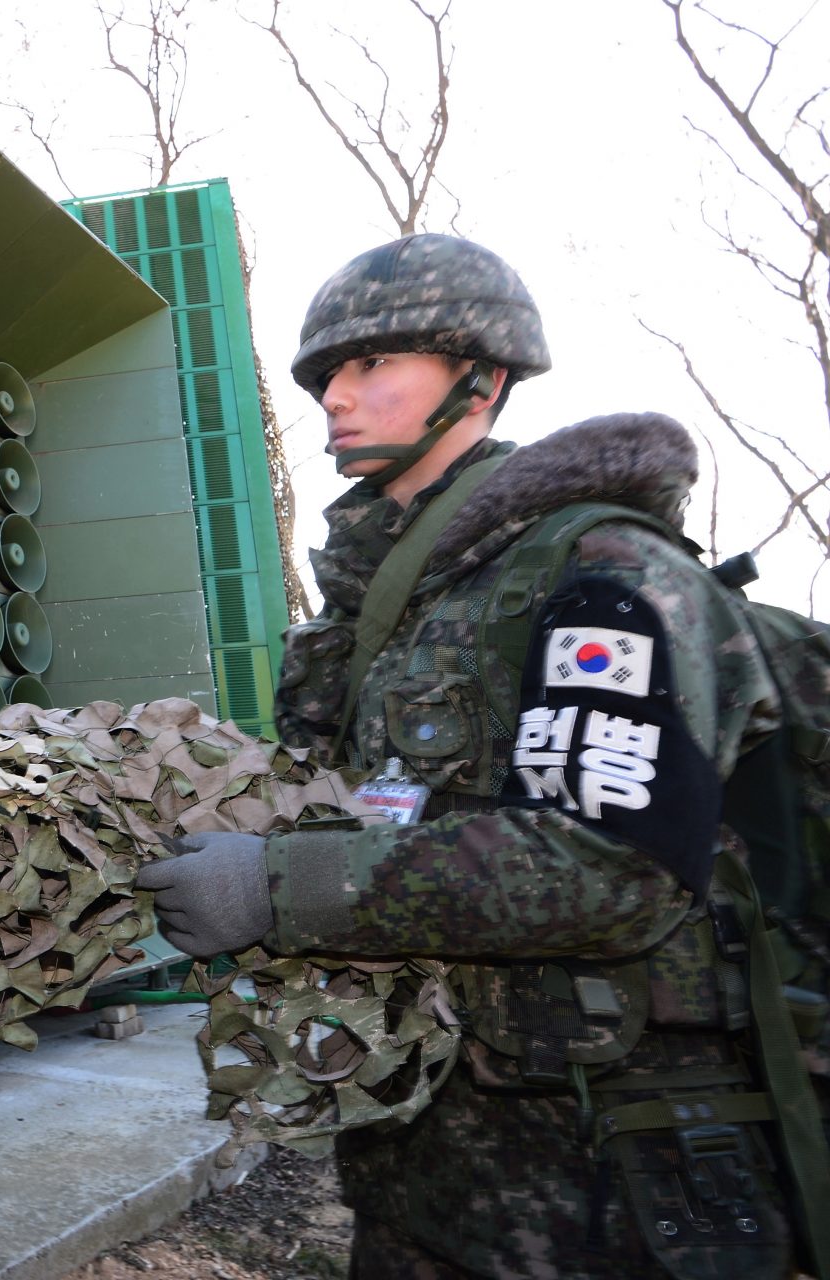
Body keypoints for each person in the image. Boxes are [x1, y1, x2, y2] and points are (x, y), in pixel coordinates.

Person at [137, 234, 813, 1277]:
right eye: (325, 375)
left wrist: (278, 884)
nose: (336, 398)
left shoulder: (603, 571)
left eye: (373, 365)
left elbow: (608, 864)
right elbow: (374, 807)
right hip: (422, 1151)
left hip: (609, 1164)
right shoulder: (387, 612)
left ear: (481, 382)